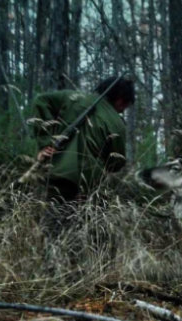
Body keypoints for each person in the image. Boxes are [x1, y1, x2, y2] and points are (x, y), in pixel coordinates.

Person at [31, 75, 135, 230]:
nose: (123, 109)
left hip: (56, 172)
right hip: (88, 184)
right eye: (126, 104)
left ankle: (49, 252)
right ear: (120, 98)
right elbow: (116, 162)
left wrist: (45, 142)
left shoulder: (73, 97)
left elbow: (40, 100)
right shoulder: (117, 123)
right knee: (82, 232)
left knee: (52, 226)